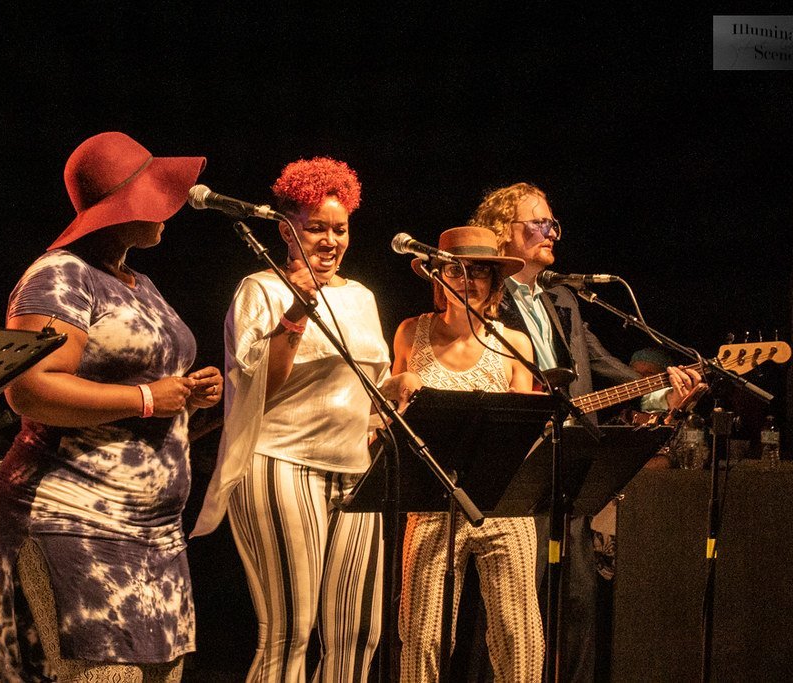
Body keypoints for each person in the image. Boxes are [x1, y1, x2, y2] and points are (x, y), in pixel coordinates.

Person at [0, 132, 223, 682]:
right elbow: (28, 387)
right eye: (156, 192)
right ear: (124, 207)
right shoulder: (59, 276)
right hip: (75, 517)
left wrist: (192, 400)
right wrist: (146, 398)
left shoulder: (141, 285)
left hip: (156, 531)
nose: (171, 204)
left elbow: (150, 402)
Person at [191, 157, 419, 682]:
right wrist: (294, 314)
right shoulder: (261, 290)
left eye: (340, 229)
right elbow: (257, 390)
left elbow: (360, 386)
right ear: (285, 229)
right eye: (316, 227)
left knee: (359, 633)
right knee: (290, 632)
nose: (330, 240)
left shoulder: (361, 297)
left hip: (355, 470)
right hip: (280, 461)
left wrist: (396, 387)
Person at [471, 182, 702, 682]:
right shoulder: (483, 296)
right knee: (516, 608)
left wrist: (664, 394)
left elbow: (608, 370)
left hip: (572, 466)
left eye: (553, 223)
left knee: (577, 599)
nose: (550, 231)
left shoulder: (562, 300)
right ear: (501, 234)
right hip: (517, 469)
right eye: (537, 222)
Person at [391, 226, 544, 682]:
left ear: (495, 282)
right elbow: (390, 411)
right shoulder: (409, 332)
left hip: (502, 502)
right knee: (422, 636)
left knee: (520, 636)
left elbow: (527, 431)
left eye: (480, 271)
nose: (469, 280)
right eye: (456, 270)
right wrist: (398, 389)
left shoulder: (513, 343)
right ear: (438, 276)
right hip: (432, 502)